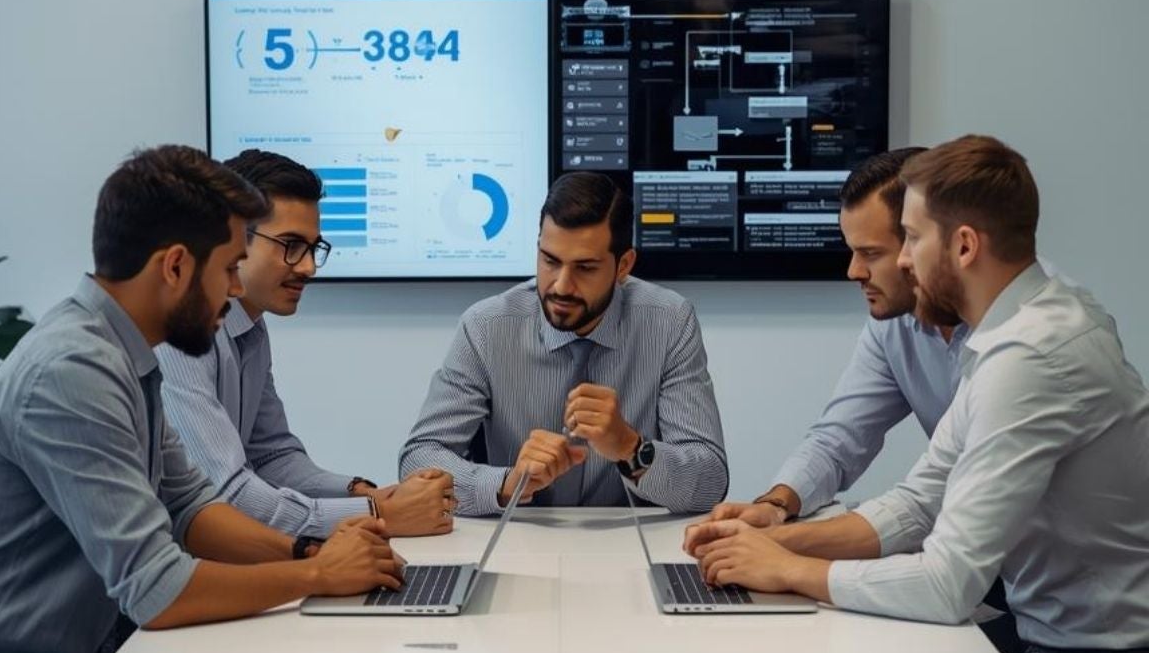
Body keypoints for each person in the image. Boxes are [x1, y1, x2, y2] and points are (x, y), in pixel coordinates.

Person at [685, 137, 1149, 653]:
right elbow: (918, 499)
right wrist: (780, 537)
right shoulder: (1004, 337)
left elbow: (946, 581)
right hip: (1057, 649)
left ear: (962, 246)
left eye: (906, 238)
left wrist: (788, 569)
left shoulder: (1032, 356)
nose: (898, 259)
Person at [0, 146, 404, 653]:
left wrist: (312, 547)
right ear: (174, 267)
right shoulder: (73, 370)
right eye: (228, 268)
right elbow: (156, 589)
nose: (232, 290)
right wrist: (314, 573)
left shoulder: (126, 355)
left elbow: (191, 510)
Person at [159, 150, 454, 540]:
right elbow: (225, 495)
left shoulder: (250, 326)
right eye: (290, 245)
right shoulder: (180, 335)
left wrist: (363, 492)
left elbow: (271, 456)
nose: (309, 267)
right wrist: (378, 513)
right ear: (230, 237)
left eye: (313, 248)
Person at [399, 172, 729, 515]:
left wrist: (630, 447)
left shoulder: (669, 322)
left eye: (585, 268)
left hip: (628, 543)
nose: (561, 286)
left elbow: (710, 482)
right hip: (515, 537)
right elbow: (419, 460)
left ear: (624, 266)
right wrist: (506, 484)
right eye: (550, 261)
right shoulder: (486, 326)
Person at [728, 147, 967, 528]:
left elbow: (930, 501)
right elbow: (839, 439)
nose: (854, 271)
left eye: (870, 254)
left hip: (1044, 579)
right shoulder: (894, 323)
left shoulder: (1029, 335)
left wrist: (783, 551)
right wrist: (775, 505)